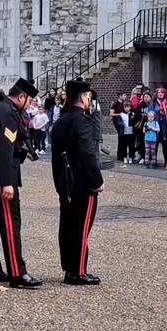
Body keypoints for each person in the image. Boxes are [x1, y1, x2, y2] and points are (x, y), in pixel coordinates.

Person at [0, 78, 43, 289]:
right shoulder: (8, 114)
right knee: (9, 224)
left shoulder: (2, 109)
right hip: (0, 176)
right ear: (21, 96)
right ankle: (17, 272)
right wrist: (7, 182)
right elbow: (5, 150)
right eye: (30, 101)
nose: (31, 105)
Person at [51, 78, 105, 285]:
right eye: (88, 96)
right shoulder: (82, 122)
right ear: (83, 97)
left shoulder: (61, 121)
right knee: (81, 228)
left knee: (67, 227)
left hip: (65, 183)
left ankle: (69, 267)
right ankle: (78, 271)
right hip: (82, 183)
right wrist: (97, 180)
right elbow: (87, 154)